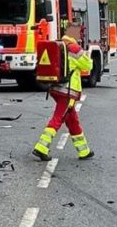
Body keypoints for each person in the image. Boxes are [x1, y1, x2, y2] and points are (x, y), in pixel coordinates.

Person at [33, 20, 94, 162]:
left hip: (56, 88)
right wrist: (86, 52)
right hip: (68, 92)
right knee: (58, 118)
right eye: (79, 32)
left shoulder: (59, 45)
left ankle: (84, 151)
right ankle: (41, 148)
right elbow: (88, 65)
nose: (80, 35)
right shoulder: (74, 48)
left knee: (72, 121)